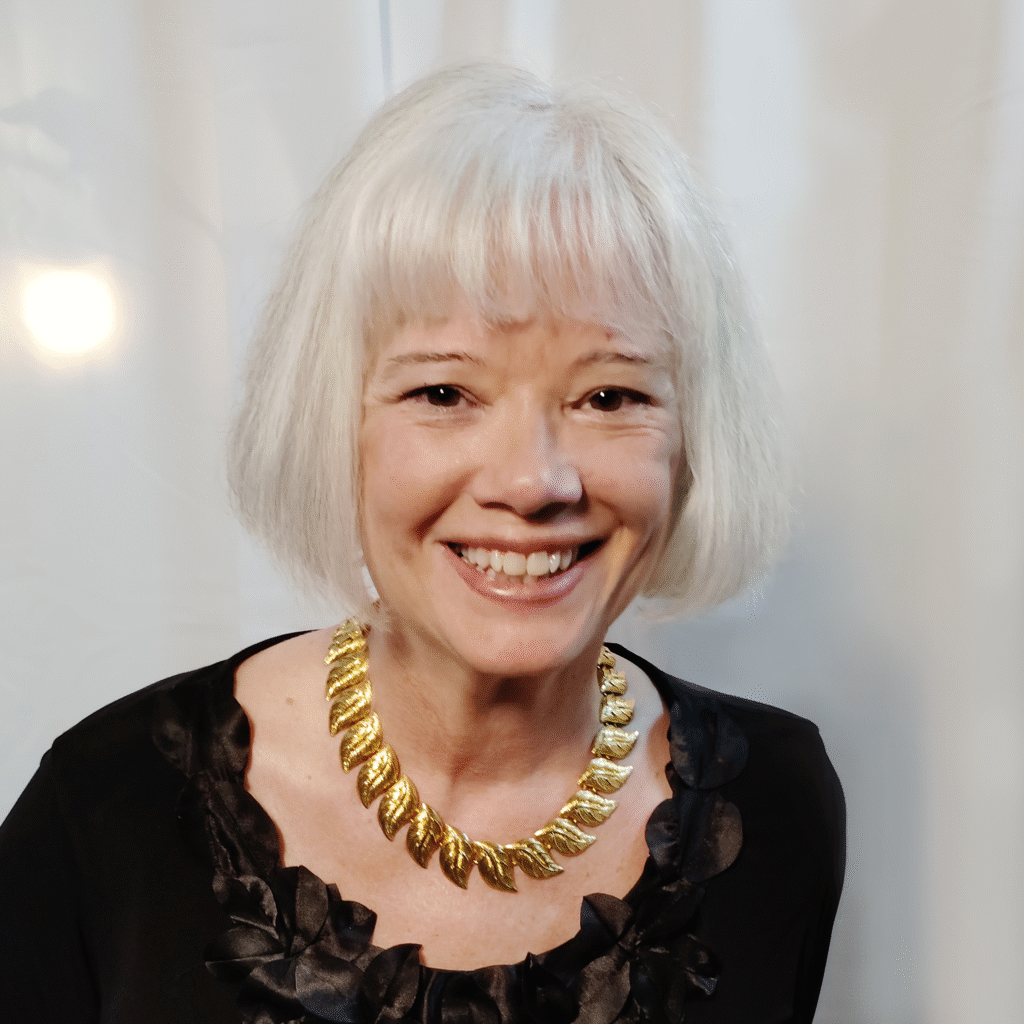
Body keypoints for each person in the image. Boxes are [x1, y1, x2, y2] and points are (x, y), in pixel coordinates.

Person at [0, 62, 844, 1023]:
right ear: (334, 425)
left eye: (610, 395)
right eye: (443, 392)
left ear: (694, 442)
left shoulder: (778, 811)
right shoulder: (107, 809)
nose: (532, 482)